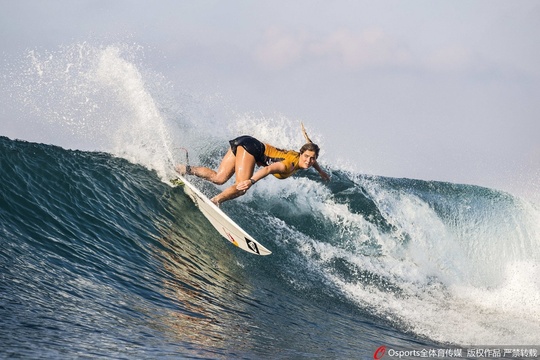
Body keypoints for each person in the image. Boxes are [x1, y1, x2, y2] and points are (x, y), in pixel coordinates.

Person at [175, 124, 330, 205]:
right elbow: (269, 169)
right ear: (301, 153)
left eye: (313, 159)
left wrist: (320, 171)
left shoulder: (302, 158)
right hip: (251, 148)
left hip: (245, 141)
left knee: (219, 178)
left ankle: (183, 169)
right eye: (307, 157)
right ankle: (215, 201)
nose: (309, 161)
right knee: (242, 187)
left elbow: (311, 158)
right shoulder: (288, 165)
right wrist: (251, 181)